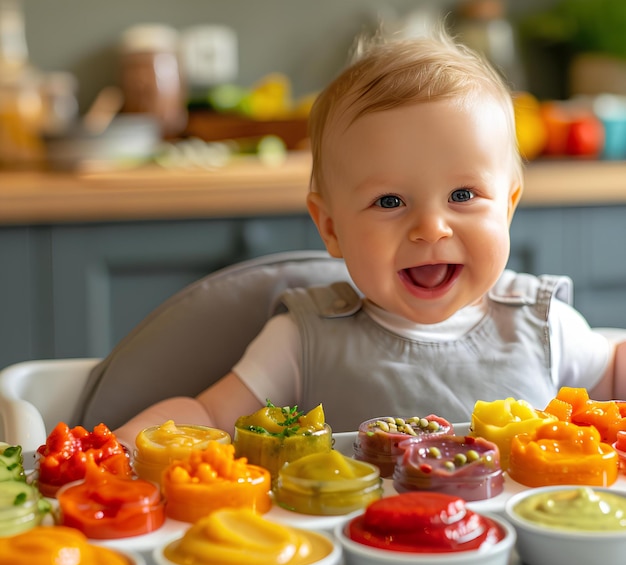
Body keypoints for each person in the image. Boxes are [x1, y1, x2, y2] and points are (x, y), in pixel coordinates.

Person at [114, 26, 626, 448]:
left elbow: (614, 384)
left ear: (509, 206)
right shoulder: (303, 341)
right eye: (389, 202)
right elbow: (206, 414)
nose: (431, 228)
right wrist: (125, 447)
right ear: (331, 227)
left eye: (464, 195)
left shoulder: (545, 327)